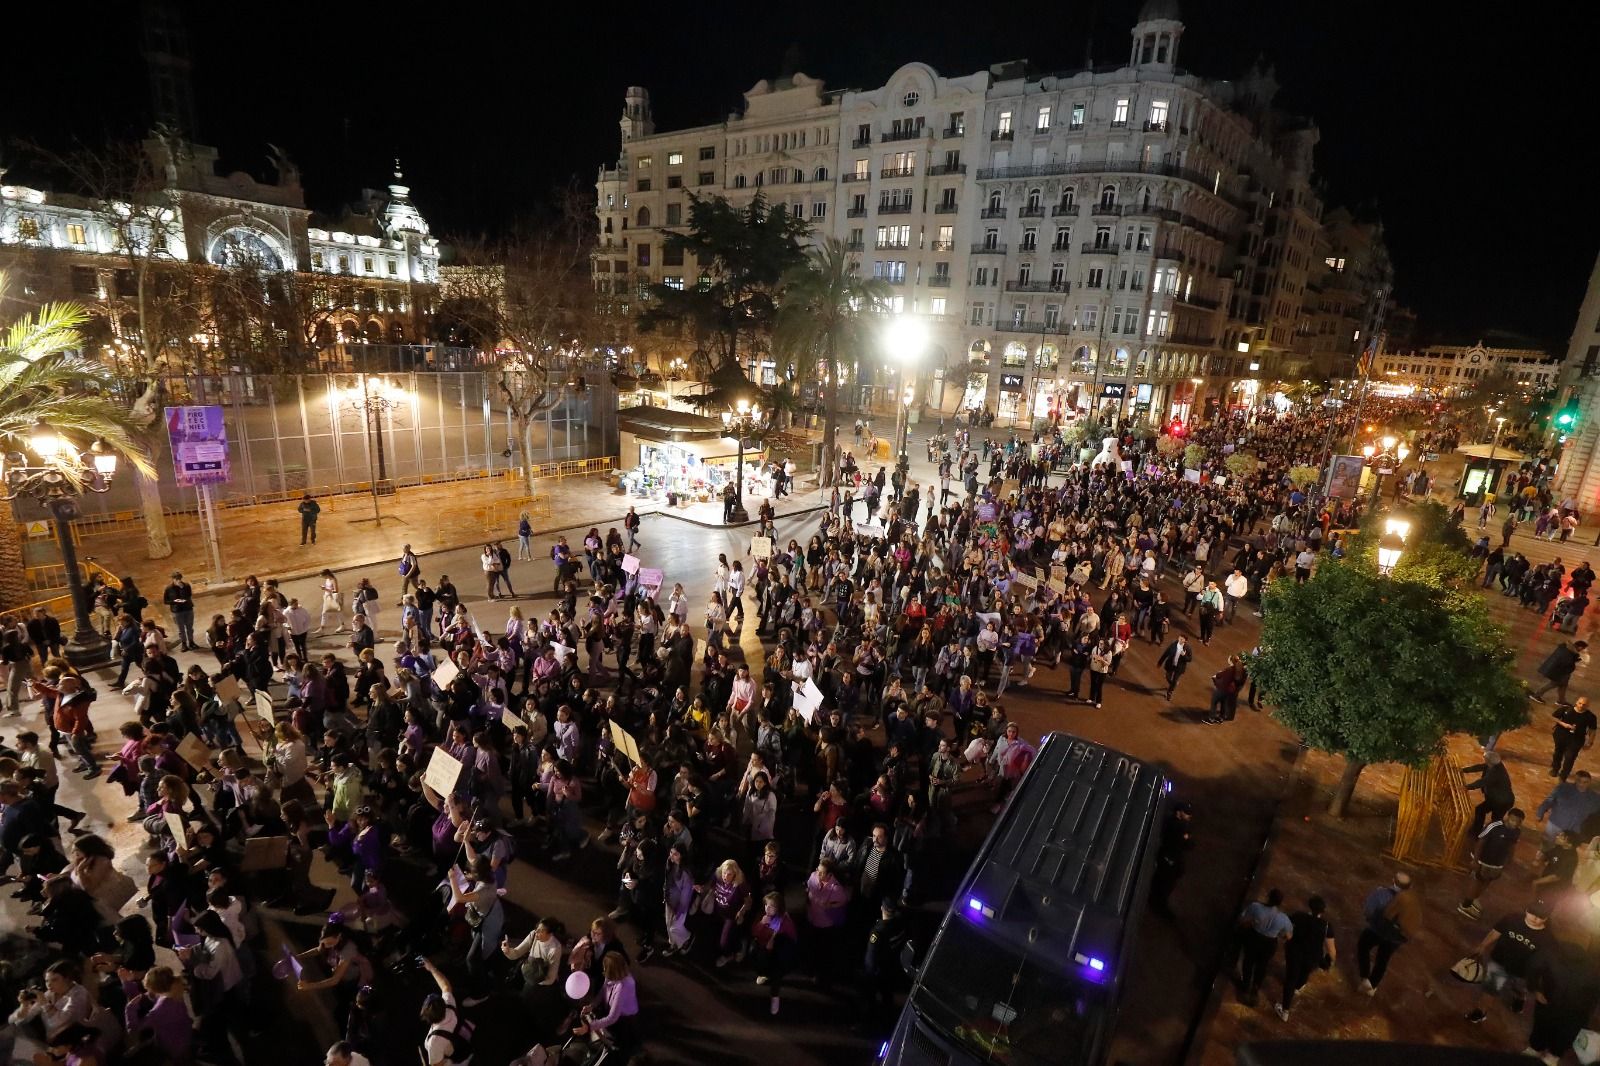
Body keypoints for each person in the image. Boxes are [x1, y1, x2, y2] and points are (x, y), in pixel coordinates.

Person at [1464, 900, 1554, 1024]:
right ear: (1527, 910)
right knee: (1490, 989)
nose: (1535, 918)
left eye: (1540, 916)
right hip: (1499, 962)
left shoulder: (1547, 938)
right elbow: (1496, 931)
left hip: (1523, 972)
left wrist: (1538, 985)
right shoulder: (1512, 919)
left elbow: (1543, 962)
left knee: (1520, 989)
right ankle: (1481, 1011)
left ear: (1547, 918)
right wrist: (1483, 945)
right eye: (1532, 913)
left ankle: (1520, 998)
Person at [1356, 870, 1420, 996]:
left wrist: (1371, 920)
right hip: (1396, 937)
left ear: (1393, 881)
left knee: (1363, 946)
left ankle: (1364, 976)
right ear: (1410, 887)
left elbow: (1368, 911)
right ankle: (1372, 985)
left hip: (1377, 930)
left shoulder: (1380, 893)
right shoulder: (1413, 902)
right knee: (1383, 959)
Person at [1277, 895, 1335, 1022]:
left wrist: (1284, 936)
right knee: (1305, 972)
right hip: (1313, 957)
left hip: (1295, 952)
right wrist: (1329, 962)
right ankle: (1298, 988)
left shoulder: (1299, 916)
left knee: (1290, 979)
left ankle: (1285, 1010)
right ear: (1323, 911)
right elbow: (1331, 951)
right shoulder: (1326, 926)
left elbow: (1287, 927)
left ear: (1310, 906)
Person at [1458, 808, 1524, 920]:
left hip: (1497, 863)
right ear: (1507, 817)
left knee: (1488, 881)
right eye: (1513, 820)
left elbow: (1512, 846)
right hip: (1483, 860)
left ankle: (1474, 899)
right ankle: (1465, 905)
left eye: (1518, 822)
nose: (1515, 823)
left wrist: (1509, 861)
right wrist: (1475, 861)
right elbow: (1481, 841)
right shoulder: (1494, 826)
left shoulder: (1517, 831)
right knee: (1477, 882)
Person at [575, 952, 640, 1059]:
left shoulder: (624, 986)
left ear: (612, 970)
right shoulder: (613, 975)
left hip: (624, 1018)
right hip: (613, 1012)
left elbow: (613, 1017)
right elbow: (603, 990)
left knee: (620, 1043)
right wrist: (592, 1005)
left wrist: (589, 1027)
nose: (604, 970)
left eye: (605, 968)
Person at [1236, 887, 1291, 1005]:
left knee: (1248, 961)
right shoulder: (1283, 918)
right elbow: (1288, 936)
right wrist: (1280, 935)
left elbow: (1242, 920)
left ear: (1268, 897)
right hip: (1270, 944)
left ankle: (1246, 984)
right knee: (1262, 965)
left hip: (1254, 938)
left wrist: (1250, 923)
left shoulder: (1256, 907)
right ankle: (1255, 988)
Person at [418, 957, 474, 1066]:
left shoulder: (433, 1042)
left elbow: (437, 1064)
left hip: (455, 1059)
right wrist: (432, 969)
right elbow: (445, 986)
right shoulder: (449, 1006)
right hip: (464, 1041)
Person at [1535, 770, 1600, 841]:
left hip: (1573, 831)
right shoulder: (1563, 788)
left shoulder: (1595, 798)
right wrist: (1540, 813)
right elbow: (1549, 801)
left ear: (1590, 782)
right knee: (1546, 845)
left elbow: (1595, 815)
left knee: (1564, 851)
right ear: (1575, 780)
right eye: (1579, 781)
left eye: (1585, 782)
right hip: (1555, 824)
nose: (1581, 784)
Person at [1463, 750, 1516, 837]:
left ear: (1489, 761)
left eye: (1485, 759)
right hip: (1496, 799)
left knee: (1495, 820)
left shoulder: (1496, 772)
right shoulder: (1494, 765)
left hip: (1501, 802)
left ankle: (1490, 837)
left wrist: (1466, 787)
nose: (1484, 761)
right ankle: (1477, 831)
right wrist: (1464, 770)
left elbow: (1483, 781)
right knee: (1480, 810)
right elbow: (1480, 767)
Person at [1550, 695, 1597, 781]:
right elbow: (1554, 717)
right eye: (1580, 703)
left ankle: (1564, 775)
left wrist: (1590, 742)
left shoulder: (1590, 717)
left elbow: (1592, 730)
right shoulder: (1566, 710)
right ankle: (1555, 769)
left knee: (1570, 757)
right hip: (1561, 735)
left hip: (1576, 739)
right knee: (1558, 753)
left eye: (1584, 704)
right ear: (1576, 702)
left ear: (1587, 706)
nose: (1581, 706)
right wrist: (1564, 724)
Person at [1530, 639, 1588, 704]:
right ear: (1580, 647)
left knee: (1563, 685)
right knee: (1553, 684)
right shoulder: (1569, 652)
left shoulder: (1566, 648)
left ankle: (1561, 700)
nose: (1582, 650)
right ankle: (1536, 695)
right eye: (1583, 648)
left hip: (1560, 671)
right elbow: (1567, 663)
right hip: (1559, 672)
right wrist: (1574, 661)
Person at [162, 571, 197, 652]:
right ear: (173, 579)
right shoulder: (169, 589)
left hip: (188, 609)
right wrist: (174, 601)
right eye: (176, 579)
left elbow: (189, 596)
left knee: (189, 627)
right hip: (177, 611)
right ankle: (184, 643)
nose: (179, 580)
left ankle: (191, 642)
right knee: (181, 629)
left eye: (180, 579)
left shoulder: (186, 586)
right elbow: (165, 601)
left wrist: (182, 589)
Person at [1154, 634, 1192, 701]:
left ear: (1185, 641)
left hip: (1179, 668)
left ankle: (1169, 692)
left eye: (1182, 639)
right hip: (1171, 665)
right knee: (1168, 677)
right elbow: (1166, 653)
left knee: (1174, 680)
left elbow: (1189, 659)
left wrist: (1184, 655)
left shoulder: (1188, 648)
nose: (1180, 639)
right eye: (1179, 638)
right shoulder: (1173, 645)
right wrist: (1160, 662)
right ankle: (1172, 684)